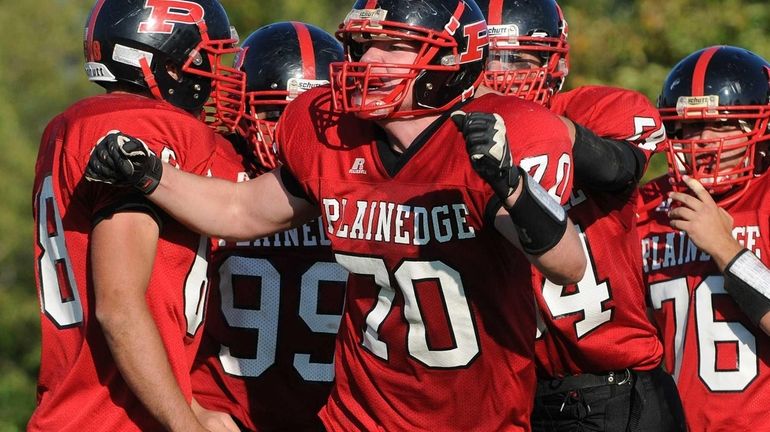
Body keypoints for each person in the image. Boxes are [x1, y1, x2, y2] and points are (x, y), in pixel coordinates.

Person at [84, 0, 588, 430]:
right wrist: (152, 175)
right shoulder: (335, 141)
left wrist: (512, 184)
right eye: (362, 44)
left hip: (476, 418)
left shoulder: (488, 143)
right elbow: (240, 209)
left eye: (392, 45)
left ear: (451, 58)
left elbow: (568, 265)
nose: (367, 58)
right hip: (355, 418)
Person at [29, 0, 244, 431]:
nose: (216, 74)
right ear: (160, 61)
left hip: (76, 409)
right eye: (205, 57)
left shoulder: (69, 124)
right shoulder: (148, 124)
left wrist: (192, 406)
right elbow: (121, 308)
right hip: (113, 420)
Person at [476, 0, 686, 430]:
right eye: (487, 59)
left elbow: (619, 168)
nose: (500, 74)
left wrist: (545, 131)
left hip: (617, 389)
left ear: (554, 62)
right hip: (522, 393)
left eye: (516, 58)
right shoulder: (446, 140)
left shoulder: (590, 111)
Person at [188, 22, 348, 431]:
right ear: (238, 106)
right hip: (225, 413)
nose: (289, 132)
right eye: (275, 112)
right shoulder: (205, 168)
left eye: (312, 116)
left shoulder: (362, 178)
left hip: (337, 417)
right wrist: (189, 407)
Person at [637, 45, 770, 431]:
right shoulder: (648, 210)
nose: (703, 140)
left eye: (723, 123)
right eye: (690, 127)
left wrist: (725, 248)